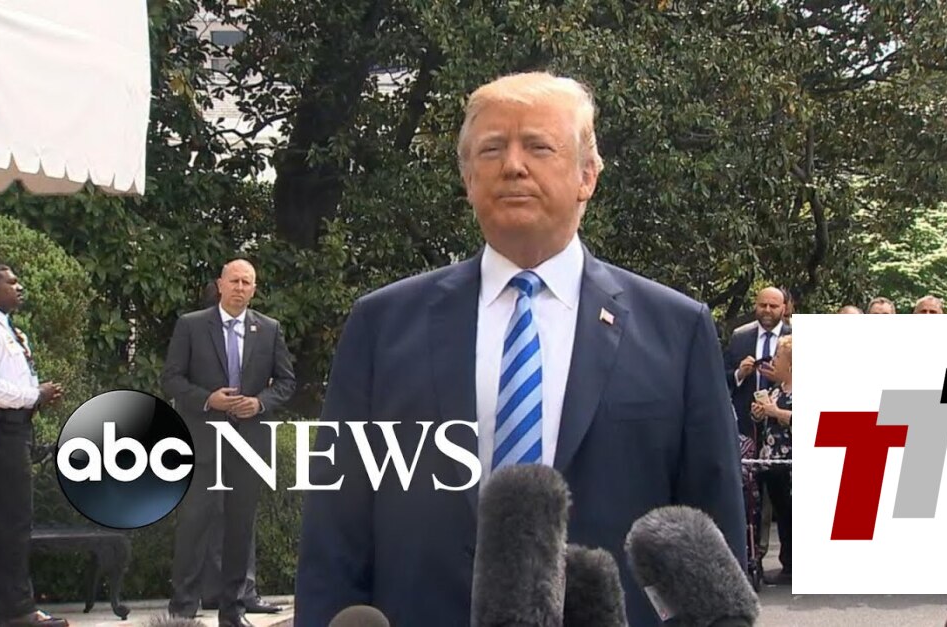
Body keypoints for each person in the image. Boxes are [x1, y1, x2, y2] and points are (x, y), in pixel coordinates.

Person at [294, 72, 746, 627]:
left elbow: (713, 538)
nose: (512, 165)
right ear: (467, 179)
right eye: (491, 149)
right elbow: (334, 528)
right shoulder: (383, 325)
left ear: (587, 175)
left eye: (538, 146)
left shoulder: (676, 329)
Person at [162, 259, 296, 627]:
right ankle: (183, 610)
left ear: (254, 289)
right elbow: (171, 378)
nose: (240, 288)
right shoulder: (191, 325)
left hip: (247, 444)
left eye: (247, 283)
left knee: (240, 529)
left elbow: (287, 381)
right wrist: (209, 399)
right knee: (193, 525)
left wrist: (260, 403)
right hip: (203, 442)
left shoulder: (268, 329)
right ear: (220, 285)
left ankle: (233, 611)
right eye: (234, 281)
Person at [0, 264, 68, 627]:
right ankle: (18, 609)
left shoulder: (2, 327)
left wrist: (34, 396)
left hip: (12, 429)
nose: (19, 287)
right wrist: (33, 394)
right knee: (13, 521)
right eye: (11, 282)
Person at [190, 280, 273, 615]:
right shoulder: (196, 336)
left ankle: (240, 591)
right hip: (207, 436)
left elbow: (276, 380)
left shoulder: (258, 334)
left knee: (238, 516)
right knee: (211, 514)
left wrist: (258, 401)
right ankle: (219, 590)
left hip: (245, 434)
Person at [750, 334, 793, 585]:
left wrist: (776, 412)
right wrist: (760, 413)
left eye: (778, 356)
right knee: (782, 514)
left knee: (794, 514)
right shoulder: (777, 389)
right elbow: (766, 420)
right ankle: (787, 563)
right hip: (771, 462)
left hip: (791, 462)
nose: (773, 360)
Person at [723, 286, 791, 439]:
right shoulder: (740, 336)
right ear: (756, 305)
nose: (767, 310)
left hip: (782, 428)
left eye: (773, 306)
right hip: (746, 425)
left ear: (783, 308)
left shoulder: (794, 336)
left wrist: (781, 378)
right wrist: (739, 374)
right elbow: (721, 377)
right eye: (762, 305)